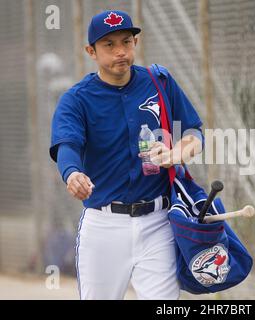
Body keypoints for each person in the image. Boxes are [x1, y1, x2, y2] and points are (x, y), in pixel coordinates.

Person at [49, 10, 204, 300]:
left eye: (127, 41)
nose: (120, 51)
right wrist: (72, 173)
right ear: (91, 51)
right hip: (104, 225)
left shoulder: (160, 82)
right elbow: (66, 145)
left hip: (158, 222)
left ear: (135, 43)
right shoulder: (76, 99)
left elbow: (195, 133)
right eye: (109, 44)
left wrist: (175, 153)